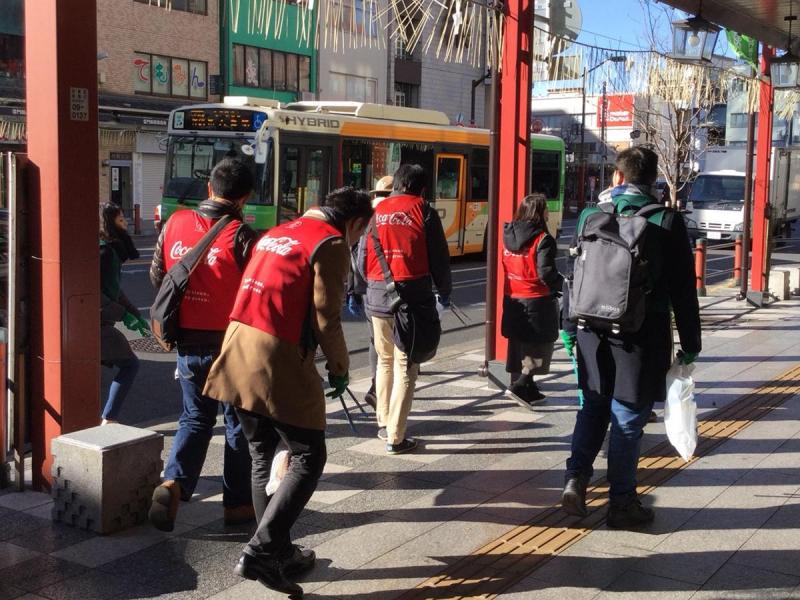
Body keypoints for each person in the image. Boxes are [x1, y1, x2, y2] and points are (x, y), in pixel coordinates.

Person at [203, 186, 373, 597]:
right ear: (354, 223)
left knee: (262, 451)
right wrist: (340, 367)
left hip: (237, 345)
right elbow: (326, 316)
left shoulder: (279, 231)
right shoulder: (330, 243)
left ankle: (279, 551)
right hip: (274, 354)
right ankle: (262, 551)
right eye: (360, 232)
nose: (356, 240)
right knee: (309, 454)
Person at [560, 146, 701, 529]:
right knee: (627, 419)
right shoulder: (667, 221)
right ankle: (621, 504)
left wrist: (569, 329)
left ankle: (576, 479)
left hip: (591, 332)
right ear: (654, 179)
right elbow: (683, 290)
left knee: (593, 407)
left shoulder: (591, 215)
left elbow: (574, 276)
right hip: (640, 337)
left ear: (619, 177)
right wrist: (691, 344)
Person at [148, 157, 259, 532]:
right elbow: (254, 295)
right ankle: (238, 505)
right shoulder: (243, 237)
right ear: (245, 197)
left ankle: (172, 483)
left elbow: (159, 277)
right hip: (230, 346)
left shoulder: (174, 222)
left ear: (210, 188)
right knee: (236, 424)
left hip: (187, 343)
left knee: (194, 418)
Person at [357, 164, 452, 454]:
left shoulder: (376, 212)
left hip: (377, 295)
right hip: (411, 298)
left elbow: (361, 259)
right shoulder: (424, 210)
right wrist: (444, 291)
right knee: (406, 365)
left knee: (384, 361)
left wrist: (371, 285)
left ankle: (384, 422)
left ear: (397, 184)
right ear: (421, 189)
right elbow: (439, 257)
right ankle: (396, 437)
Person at [501, 193, 563, 408]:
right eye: (546, 209)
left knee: (519, 342)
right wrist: (561, 285)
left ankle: (530, 389)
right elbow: (546, 272)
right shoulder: (543, 239)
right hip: (537, 299)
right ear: (540, 212)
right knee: (540, 344)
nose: (548, 213)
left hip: (513, 299)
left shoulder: (508, 235)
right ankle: (520, 385)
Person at [347, 174, 394, 409]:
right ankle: (383, 389)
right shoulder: (395, 215)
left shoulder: (366, 217)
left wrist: (354, 290)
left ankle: (377, 383)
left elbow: (354, 255)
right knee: (397, 344)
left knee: (375, 340)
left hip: (368, 289)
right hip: (393, 287)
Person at [99, 203, 148, 425]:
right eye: (120, 220)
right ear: (109, 224)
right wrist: (125, 315)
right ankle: (109, 418)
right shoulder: (104, 252)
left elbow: (114, 289)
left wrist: (134, 314)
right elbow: (96, 292)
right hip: (96, 324)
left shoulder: (109, 251)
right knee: (130, 365)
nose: (125, 224)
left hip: (98, 322)